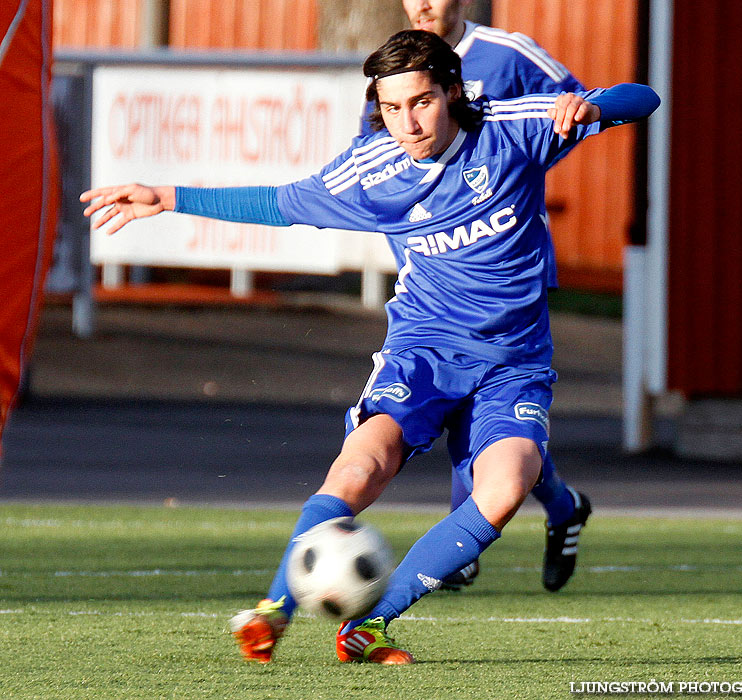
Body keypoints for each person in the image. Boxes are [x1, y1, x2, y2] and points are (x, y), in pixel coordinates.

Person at [81, 30, 659, 665]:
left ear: (453, 93)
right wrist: (165, 197)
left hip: (513, 362)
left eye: (421, 102)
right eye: (391, 107)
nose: (407, 123)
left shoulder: (510, 129)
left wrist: (596, 107)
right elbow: (279, 203)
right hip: (425, 349)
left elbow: (644, 96)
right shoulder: (374, 172)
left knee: (507, 485)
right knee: (359, 470)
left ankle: (370, 625)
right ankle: (275, 608)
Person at [364, 0, 590, 593]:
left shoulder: (506, 53)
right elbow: (380, 159)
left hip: (504, 262)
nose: (423, 5)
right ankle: (559, 508)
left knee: (490, 405)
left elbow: (576, 108)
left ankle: (469, 523)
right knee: (477, 412)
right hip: (433, 269)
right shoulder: (398, 69)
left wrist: (538, 152)